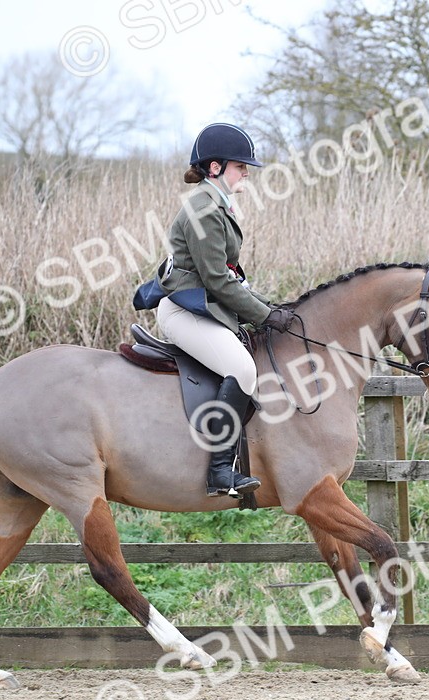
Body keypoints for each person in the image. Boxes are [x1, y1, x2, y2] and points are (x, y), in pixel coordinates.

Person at [157, 122, 294, 497]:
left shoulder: (216, 204)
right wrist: (265, 316)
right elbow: (217, 280)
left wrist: (267, 306)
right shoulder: (203, 209)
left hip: (207, 308)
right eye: (240, 165)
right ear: (214, 167)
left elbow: (230, 276)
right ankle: (220, 471)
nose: (246, 172)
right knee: (241, 368)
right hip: (186, 312)